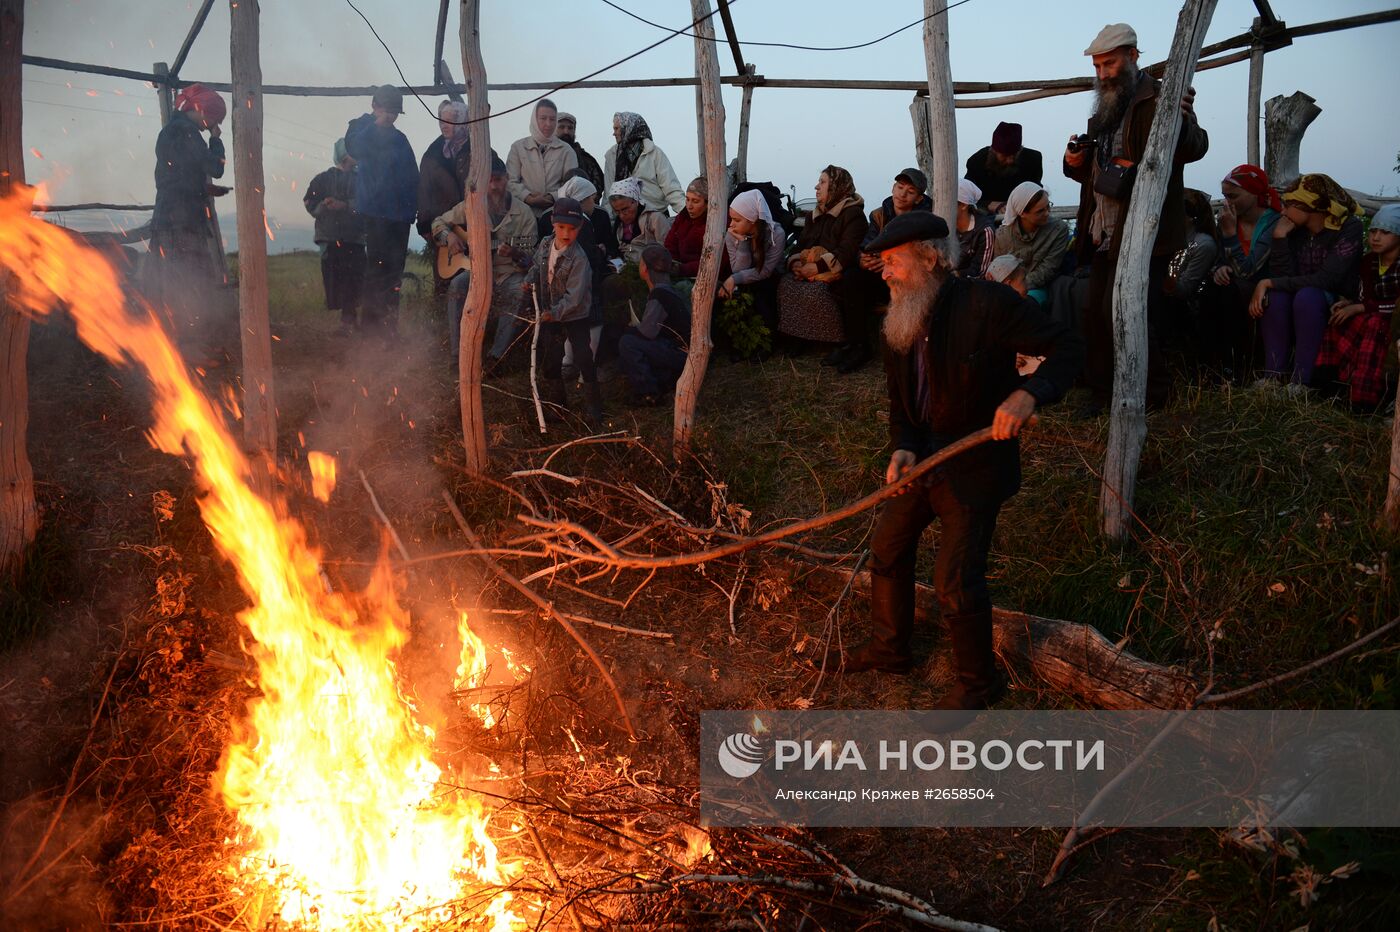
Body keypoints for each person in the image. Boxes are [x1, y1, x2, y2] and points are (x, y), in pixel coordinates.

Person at [842, 211, 1083, 719]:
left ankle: (979, 685)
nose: (883, 272)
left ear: (929, 257)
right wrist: (903, 445)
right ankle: (891, 650)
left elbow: (1068, 346)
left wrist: (1028, 392)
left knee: (954, 577)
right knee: (887, 548)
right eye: (881, 263)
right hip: (923, 457)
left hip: (975, 463)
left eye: (892, 262)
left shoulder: (986, 304)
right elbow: (899, 402)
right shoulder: (899, 317)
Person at [1063, 23, 1208, 416]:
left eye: (1109, 63)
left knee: (1130, 313)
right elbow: (1098, 172)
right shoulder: (1107, 106)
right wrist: (1074, 163)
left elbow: (1194, 148)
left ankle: (1154, 394)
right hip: (1104, 230)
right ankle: (1101, 393)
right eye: (1098, 66)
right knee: (1096, 314)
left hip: (1145, 228)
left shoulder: (1162, 96)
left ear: (1132, 56)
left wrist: (1185, 119)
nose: (1103, 73)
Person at [1251, 173, 1366, 390]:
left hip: (1336, 297)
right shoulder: (1294, 229)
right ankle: (1273, 376)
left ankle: (1302, 382)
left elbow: (1327, 279)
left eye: (1288, 205)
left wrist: (1267, 282)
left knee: (1307, 296)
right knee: (1276, 297)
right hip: (1301, 294)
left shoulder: (1348, 227)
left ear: (1308, 205)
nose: (1283, 211)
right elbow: (1283, 276)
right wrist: (1279, 239)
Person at [432, 154, 538, 365]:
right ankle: (458, 354)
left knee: (520, 290)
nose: (493, 186)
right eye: (488, 180)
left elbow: (532, 260)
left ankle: (496, 358)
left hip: (509, 273)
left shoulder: (524, 214)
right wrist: (450, 236)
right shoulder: (472, 206)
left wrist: (516, 254)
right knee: (456, 286)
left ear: (507, 179)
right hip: (477, 270)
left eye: (497, 179)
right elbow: (438, 222)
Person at [834, 167, 933, 373]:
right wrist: (864, 259)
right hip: (882, 275)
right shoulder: (879, 214)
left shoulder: (925, 218)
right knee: (851, 278)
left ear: (918, 198)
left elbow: (922, 254)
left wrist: (889, 261)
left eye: (910, 191)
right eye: (899, 187)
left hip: (909, 280)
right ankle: (857, 345)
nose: (902, 194)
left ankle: (897, 350)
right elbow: (867, 245)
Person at [345, 84, 419, 337]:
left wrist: (411, 212)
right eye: (387, 111)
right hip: (375, 213)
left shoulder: (400, 140)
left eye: (394, 113)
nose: (390, 117)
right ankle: (369, 329)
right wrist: (374, 125)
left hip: (399, 218)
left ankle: (389, 327)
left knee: (394, 272)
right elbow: (353, 149)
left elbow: (412, 176)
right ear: (375, 107)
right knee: (376, 269)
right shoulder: (360, 128)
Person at [147, 83, 228, 312]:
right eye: (215, 119)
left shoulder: (172, 131)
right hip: (181, 223)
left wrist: (203, 189)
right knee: (188, 281)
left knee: (174, 280)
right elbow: (215, 167)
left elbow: (178, 175)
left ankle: (182, 333)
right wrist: (216, 140)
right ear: (203, 111)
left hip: (169, 218)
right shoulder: (186, 131)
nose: (215, 125)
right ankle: (186, 335)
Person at [524, 198, 602, 425]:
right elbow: (537, 267)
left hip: (574, 315)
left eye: (572, 229)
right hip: (550, 312)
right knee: (551, 357)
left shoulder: (579, 259)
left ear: (580, 228)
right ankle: (558, 405)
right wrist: (529, 281)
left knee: (583, 356)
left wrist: (554, 313)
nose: (566, 234)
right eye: (561, 228)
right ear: (552, 223)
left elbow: (575, 298)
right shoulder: (546, 245)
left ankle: (593, 407)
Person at [779, 166, 869, 356]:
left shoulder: (853, 214)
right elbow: (800, 244)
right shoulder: (814, 215)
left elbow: (847, 251)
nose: (816, 187)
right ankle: (799, 337)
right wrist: (795, 263)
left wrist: (816, 267)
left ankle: (834, 341)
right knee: (786, 284)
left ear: (836, 186)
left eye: (822, 182)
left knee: (817, 291)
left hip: (837, 269)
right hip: (810, 265)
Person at [1316, 204, 1400, 409]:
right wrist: (1352, 304)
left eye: (1385, 232)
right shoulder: (1369, 261)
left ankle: (1364, 398)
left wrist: (1362, 308)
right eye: (1372, 231)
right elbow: (1365, 295)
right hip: (1371, 314)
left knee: (1373, 324)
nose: (1376, 237)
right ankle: (1331, 386)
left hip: (1393, 320)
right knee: (1338, 319)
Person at [1203, 164, 1282, 380]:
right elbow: (1220, 258)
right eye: (1225, 196)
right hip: (1236, 286)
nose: (1228, 202)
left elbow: (1248, 271)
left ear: (1255, 193)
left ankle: (1236, 368)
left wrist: (1229, 234)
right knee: (1213, 289)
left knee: (1229, 293)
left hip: (1263, 287)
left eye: (1234, 196)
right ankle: (1216, 365)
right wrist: (1218, 269)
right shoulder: (1232, 219)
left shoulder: (1273, 222)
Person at [418, 100, 497, 296]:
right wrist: (426, 224)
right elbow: (424, 191)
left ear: (462, 122)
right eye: (441, 121)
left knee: (474, 285)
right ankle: (443, 325)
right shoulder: (432, 154)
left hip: (473, 226)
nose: (444, 125)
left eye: (451, 121)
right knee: (444, 282)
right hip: (442, 225)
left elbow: (497, 181)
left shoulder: (480, 150)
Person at [304, 138, 365, 332]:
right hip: (330, 238)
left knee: (354, 278)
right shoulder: (322, 179)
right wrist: (324, 206)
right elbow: (309, 202)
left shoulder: (361, 180)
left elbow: (366, 205)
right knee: (336, 279)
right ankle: (347, 319)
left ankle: (350, 320)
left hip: (354, 238)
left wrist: (346, 206)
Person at [619, 245, 692, 406]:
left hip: (681, 353)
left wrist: (629, 330)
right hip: (683, 351)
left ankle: (648, 393)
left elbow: (647, 332)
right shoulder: (668, 290)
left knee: (628, 343)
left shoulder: (660, 294)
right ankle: (664, 380)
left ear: (645, 268)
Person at [718, 189, 787, 352]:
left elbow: (765, 271)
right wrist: (742, 243)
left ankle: (765, 342)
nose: (731, 224)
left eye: (736, 220)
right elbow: (738, 269)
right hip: (746, 276)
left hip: (771, 278)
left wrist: (734, 279)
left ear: (753, 220)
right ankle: (739, 343)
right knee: (734, 293)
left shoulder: (776, 234)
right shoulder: (732, 235)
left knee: (761, 292)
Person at [993, 181, 1070, 305]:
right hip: (1007, 288)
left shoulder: (1058, 230)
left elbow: (1048, 269)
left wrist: (1020, 285)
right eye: (1040, 211)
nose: (1047, 213)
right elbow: (999, 269)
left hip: (1041, 288)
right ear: (1023, 213)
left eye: (1048, 206)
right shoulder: (1003, 235)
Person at [507, 99, 579, 218]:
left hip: (556, 215)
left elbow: (572, 184)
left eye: (552, 119)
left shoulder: (566, 150)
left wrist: (552, 196)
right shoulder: (518, 147)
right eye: (543, 118)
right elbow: (510, 181)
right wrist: (528, 197)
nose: (548, 124)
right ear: (535, 119)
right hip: (523, 215)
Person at [603, 112, 685, 216]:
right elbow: (609, 192)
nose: (614, 133)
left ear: (630, 128)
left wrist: (687, 214)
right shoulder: (612, 155)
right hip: (625, 219)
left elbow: (671, 188)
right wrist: (610, 223)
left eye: (617, 128)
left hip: (656, 215)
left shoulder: (655, 153)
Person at [964, 121, 1043, 214]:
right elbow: (967, 195)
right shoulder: (976, 162)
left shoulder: (1033, 159)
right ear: (994, 151)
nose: (1010, 160)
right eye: (1004, 156)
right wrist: (990, 204)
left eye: (1014, 155)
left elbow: (1035, 191)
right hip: (986, 215)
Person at [664, 177, 710, 278]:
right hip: (678, 269)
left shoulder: (715, 224)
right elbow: (670, 244)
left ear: (708, 203)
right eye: (687, 199)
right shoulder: (683, 217)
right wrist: (672, 264)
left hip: (703, 277)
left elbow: (712, 261)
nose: (689, 206)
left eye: (695, 201)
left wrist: (683, 269)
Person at [555, 112, 606, 198]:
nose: (566, 131)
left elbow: (597, 189)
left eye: (570, 128)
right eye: (561, 127)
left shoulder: (587, 160)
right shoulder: (543, 155)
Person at [955, 178, 995, 280]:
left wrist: (954, 276)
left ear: (964, 205)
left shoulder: (984, 231)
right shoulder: (940, 224)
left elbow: (980, 271)